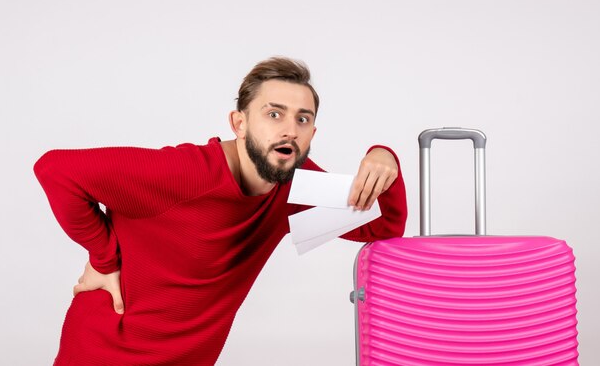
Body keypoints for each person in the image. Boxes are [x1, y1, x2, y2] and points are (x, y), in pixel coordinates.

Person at [34, 57, 407, 365]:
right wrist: (104, 259)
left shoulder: (296, 185)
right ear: (239, 123)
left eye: (302, 119)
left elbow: (382, 232)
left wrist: (384, 158)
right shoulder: (185, 173)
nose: (290, 130)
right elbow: (55, 170)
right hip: (105, 353)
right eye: (274, 114)